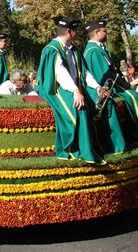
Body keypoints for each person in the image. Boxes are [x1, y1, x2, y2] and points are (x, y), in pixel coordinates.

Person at [35, 16, 106, 164]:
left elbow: (85, 73)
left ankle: (104, 145)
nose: (78, 32)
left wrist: (98, 87)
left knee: (104, 101)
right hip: (55, 88)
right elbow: (60, 74)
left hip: (75, 86)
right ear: (69, 31)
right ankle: (73, 148)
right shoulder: (52, 49)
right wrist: (75, 91)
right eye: (76, 30)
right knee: (78, 108)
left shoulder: (74, 50)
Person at [83, 20, 138, 144]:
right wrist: (124, 85)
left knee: (133, 96)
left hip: (114, 84)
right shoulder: (93, 51)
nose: (107, 33)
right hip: (108, 87)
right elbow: (104, 75)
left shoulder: (100, 49)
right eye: (104, 31)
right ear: (96, 33)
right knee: (133, 97)